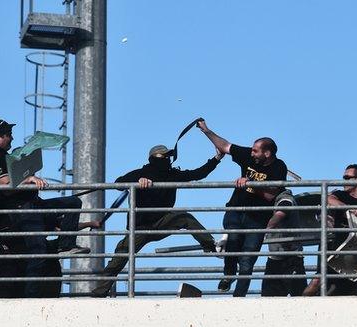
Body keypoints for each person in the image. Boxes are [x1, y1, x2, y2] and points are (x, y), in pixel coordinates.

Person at [91, 143, 224, 297]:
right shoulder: (141, 172)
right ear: (153, 157)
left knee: (184, 217)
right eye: (164, 155)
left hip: (162, 222)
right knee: (119, 259)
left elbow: (198, 174)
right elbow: (118, 184)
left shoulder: (172, 174)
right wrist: (137, 181)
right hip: (139, 228)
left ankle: (211, 246)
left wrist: (217, 158)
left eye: (168, 155)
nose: (167, 158)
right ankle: (99, 292)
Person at [0, 119, 87, 298]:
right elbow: (3, 182)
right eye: (8, 135)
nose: (12, 138)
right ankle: (31, 296)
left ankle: (65, 244)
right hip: (22, 209)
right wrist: (27, 180)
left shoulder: (5, 158)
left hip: (36, 205)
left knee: (73, 203)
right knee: (38, 252)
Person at [197, 118, 288, 297]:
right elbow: (225, 146)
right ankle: (228, 275)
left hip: (258, 217)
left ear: (267, 153)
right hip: (236, 210)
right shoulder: (248, 155)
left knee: (247, 261)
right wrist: (206, 130)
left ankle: (239, 297)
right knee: (233, 240)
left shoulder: (279, 167)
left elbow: (271, 194)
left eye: (256, 150)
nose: (252, 153)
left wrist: (251, 183)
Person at [304, 164, 357, 296]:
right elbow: (328, 199)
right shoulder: (340, 195)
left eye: (347, 178)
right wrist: (349, 209)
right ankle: (300, 306)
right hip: (337, 247)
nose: (343, 181)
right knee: (318, 280)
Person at [260, 190, 307, 297]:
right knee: (269, 299)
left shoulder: (285, 198)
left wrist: (266, 230)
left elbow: (281, 212)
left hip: (291, 257)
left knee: (299, 298)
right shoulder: (274, 201)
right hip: (275, 258)